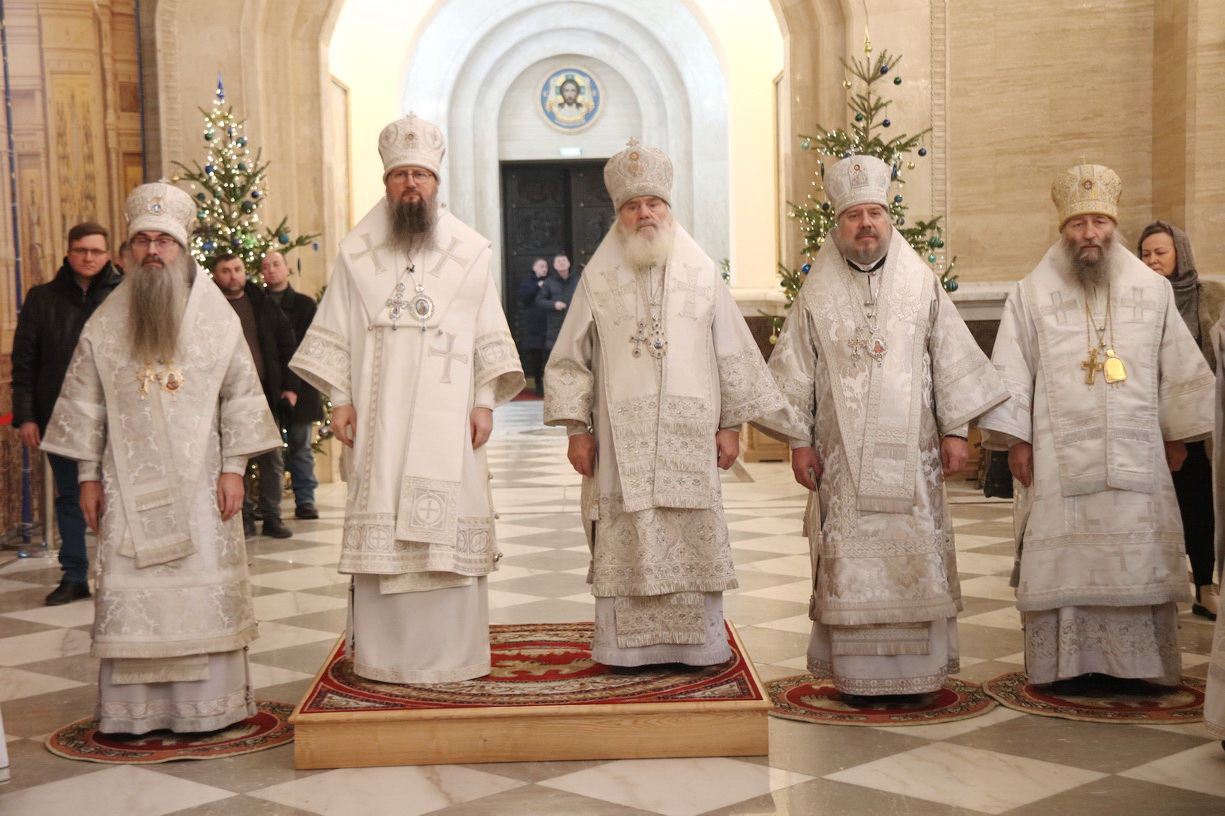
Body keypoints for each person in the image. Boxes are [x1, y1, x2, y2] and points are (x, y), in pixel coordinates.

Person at [761, 155, 1008, 699]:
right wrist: (800, 441)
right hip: (841, 462)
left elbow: (950, 357)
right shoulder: (816, 293)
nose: (865, 224)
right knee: (850, 554)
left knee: (914, 550)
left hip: (915, 460)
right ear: (839, 224)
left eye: (874, 212)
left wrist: (955, 430)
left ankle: (919, 673)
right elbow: (796, 372)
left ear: (888, 217)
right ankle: (857, 677)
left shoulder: (921, 283)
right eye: (854, 216)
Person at [290, 113, 524, 683]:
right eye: (401, 175)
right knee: (385, 517)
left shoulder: (471, 251)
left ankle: (454, 655)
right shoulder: (356, 252)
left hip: (451, 423)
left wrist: (485, 401)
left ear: (437, 183)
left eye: (421, 174)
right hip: (380, 419)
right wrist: (340, 398)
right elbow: (340, 329)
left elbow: (487, 331)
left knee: (451, 529)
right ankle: (386, 658)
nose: (411, 184)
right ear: (387, 184)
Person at [41, 182, 281, 733]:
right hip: (125, 486)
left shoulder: (216, 319)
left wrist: (233, 469)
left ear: (182, 248)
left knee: (200, 586)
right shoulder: (105, 322)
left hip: (203, 488)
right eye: (143, 241)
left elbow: (241, 393)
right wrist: (85, 476)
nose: (153, 251)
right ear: (127, 251)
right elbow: (87, 404)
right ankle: (135, 713)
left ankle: (209, 707)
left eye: (164, 241)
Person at [543, 141, 792, 669]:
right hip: (617, 445)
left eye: (653, 203)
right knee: (628, 536)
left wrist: (730, 426)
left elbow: (732, 351)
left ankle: (697, 646)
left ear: (668, 209)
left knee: (688, 536)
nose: (644, 214)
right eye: (632, 206)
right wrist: (576, 430)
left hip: (691, 438)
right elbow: (569, 359)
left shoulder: (702, 274)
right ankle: (625, 650)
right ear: (620, 215)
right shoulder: (598, 277)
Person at [979, 165, 1214, 692]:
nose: (1090, 234)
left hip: (1139, 456)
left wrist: (1176, 432)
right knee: (1068, 563)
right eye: (1079, 223)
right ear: (1062, 228)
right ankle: (1066, 664)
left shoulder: (1150, 291)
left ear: (1115, 225)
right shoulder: (1031, 293)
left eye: (1100, 222)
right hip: (1060, 464)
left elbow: (1175, 362)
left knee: (1138, 557)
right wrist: (1018, 440)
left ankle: (1141, 668)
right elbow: (1013, 369)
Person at [12, 222, 123, 605]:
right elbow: (25, 363)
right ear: (69, 252)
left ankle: (119, 575)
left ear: (108, 255)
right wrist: (26, 417)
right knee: (71, 496)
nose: (89, 258)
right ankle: (75, 574)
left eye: (96, 251)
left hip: (118, 417)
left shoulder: (125, 293)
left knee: (120, 497)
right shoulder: (42, 298)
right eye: (81, 251)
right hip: (59, 415)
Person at [1138, 222, 1224, 619]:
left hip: (1201, 426)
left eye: (1161, 252)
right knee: (1152, 509)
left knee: (1200, 505)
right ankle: (1155, 589)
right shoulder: (1133, 297)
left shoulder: (1212, 298)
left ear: (1181, 254)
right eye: (1146, 253)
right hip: (1148, 423)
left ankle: (1205, 585)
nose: (1153, 260)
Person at [212, 253, 298, 539]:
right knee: (235, 459)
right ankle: (244, 517)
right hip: (222, 399)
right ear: (216, 275)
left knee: (271, 457)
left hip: (264, 394)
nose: (233, 275)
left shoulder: (262, 303)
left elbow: (287, 344)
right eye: (226, 271)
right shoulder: (208, 306)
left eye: (237, 269)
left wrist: (290, 386)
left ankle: (272, 516)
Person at [260, 250, 324, 520]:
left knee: (301, 446)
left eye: (276, 264)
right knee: (267, 449)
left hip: (303, 386)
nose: (272, 270)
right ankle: (268, 506)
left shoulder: (304, 304)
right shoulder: (258, 303)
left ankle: (305, 500)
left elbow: (312, 346)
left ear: (287, 269)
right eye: (266, 266)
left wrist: (296, 385)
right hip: (269, 386)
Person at [517, 258, 550, 396]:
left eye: (546, 267)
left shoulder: (551, 282)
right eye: (541, 266)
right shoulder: (527, 283)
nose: (544, 269)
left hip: (549, 324)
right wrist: (538, 286)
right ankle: (538, 383)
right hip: (533, 326)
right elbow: (524, 297)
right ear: (534, 268)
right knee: (536, 355)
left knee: (548, 356)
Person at [538, 253, 578, 362]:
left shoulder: (578, 280)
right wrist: (554, 304)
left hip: (575, 323)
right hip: (556, 325)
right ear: (554, 266)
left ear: (568, 263)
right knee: (556, 356)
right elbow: (540, 301)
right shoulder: (549, 282)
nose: (561, 263)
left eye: (563, 260)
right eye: (558, 261)